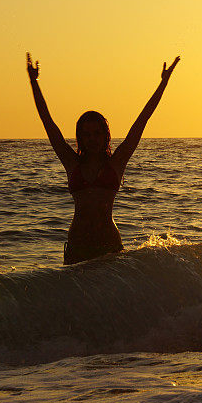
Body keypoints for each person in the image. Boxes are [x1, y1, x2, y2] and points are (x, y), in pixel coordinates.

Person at [26, 52, 180, 264]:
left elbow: (143, 119)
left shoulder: (117, 163)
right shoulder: (71, 163)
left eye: (97, 133)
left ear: (105, 135)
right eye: (86, 134)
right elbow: (47, 121)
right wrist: (34, 82)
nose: (92, 139)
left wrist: (164, 82)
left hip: (110, 247)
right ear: (80, 137)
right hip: (77, 247)